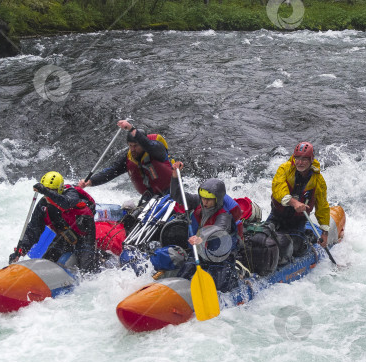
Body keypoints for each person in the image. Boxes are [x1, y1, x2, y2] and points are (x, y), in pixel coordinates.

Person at [169, 162, 243, 290]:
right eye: (203, 198)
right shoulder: (199, 202)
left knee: (220, 282)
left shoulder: (224, 214)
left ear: (217, 199)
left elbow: (219, 228)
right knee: (185, 273)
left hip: (220, 258)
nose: (204, 202)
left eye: (208, 199)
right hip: (201, 254)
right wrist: (175, 176)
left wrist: (200, 238)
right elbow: (177, 196)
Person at [9, 171, 99, 273]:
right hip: (65, 237)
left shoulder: (71, 193)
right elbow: (34, 230)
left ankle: (100, 259)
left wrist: (46, 191)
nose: (48, 194)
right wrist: (21, 250)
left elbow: (66, 203)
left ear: (60, 189)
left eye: (52, 191)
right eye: (46, 190)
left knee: (86, 270)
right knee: (45, 263)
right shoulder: (43, 205)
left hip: (85, 237)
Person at [77, 120, 172, 202]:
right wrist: (90, 181)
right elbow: (111, 172)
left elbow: (147, 144)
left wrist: (131, 129)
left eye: (136, 146)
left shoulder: (157, 150)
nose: (133, 149)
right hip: (149, 198)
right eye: (130, 145)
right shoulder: (128, 158)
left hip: (171, 193)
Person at [267, 141, 330, 248]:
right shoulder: (285, 169)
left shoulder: (318, 180)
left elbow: (322, 206)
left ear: (311, 159)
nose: (300, 162)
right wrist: (294, 202)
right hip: (277, 216)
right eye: (297, 158)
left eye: (304, 159)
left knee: (294, 247)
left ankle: (309, 237)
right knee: (263, 239)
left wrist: (325, 233)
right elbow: (278, 188)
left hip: (297, 221)